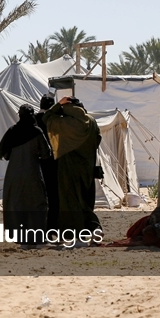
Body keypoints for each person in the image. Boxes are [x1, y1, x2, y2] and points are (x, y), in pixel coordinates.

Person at [43, 96, 102, 245]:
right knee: (84, 200)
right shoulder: (91, 121)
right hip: (88, 167)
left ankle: (77, 235)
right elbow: (98, 139)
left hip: (69, 168)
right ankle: (94, 229)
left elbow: (47, 117)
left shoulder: (65, 122)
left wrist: (58, 105)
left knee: (71, 201)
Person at [0, 104, 52, 248]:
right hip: (33, 173)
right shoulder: (37, 131)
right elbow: (47, 153)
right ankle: (37, 239)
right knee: (36, 205)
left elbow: (3, 153)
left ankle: (22, 240)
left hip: (13, 175)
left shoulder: (12, 131)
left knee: (17, 205)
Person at [35, 95, 59, 229]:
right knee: (53, 196)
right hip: (51, 163)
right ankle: (52, 227)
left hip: (35, 164)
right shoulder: (53, 121)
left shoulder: (32, 120)